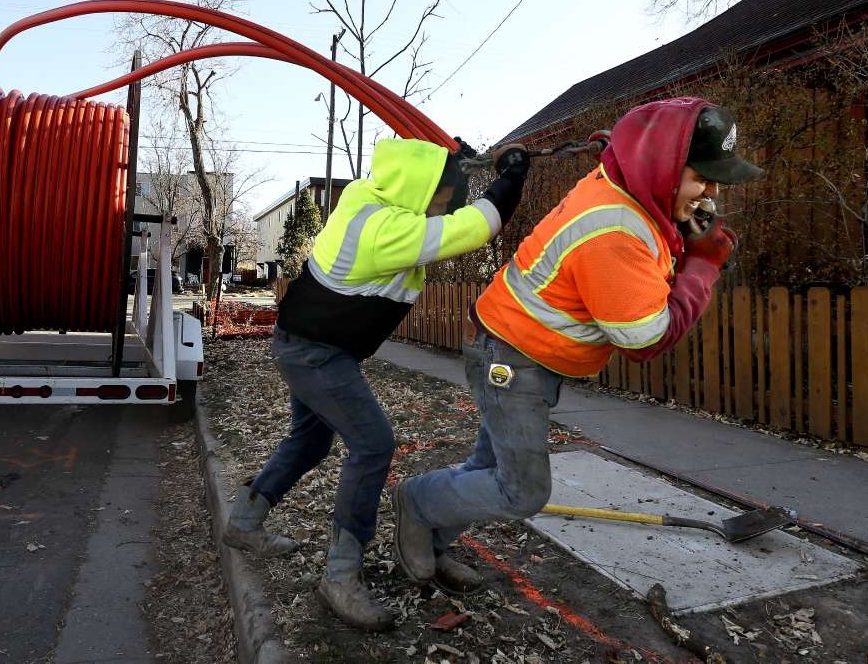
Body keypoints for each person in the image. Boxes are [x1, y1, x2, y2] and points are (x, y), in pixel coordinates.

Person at [391, 97, 764, 588]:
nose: (711, 193)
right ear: (664, 169)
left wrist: (689, 221)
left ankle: (430, 542)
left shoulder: (630, 181)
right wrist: (703, 266)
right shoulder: (615, 232)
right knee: (521, 491)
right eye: (702, 178)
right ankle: (415, 503)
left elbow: (651, 190)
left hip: (520, 345)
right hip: (512, 356)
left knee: (490, 467)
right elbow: (646, 337)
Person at [222, 136, 530, 630]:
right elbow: (475, 228)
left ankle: (243, 522)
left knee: (310, 442)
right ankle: (340, 576)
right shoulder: (386, 230)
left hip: (309, 342)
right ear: (419, 192)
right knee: (373, 444)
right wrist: (510, 178)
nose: (446, 209)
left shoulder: (367, 198)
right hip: (316, 353)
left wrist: (455, 169)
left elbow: (439, 200)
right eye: (443, 198)